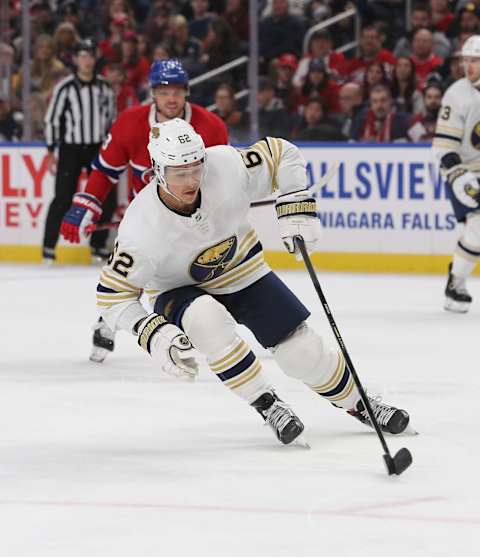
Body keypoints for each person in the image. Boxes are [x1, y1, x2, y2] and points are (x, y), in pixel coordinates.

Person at [95, 117, 411, 445]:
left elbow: (281, 153)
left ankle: (360, 402)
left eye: (195, 168)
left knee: (301, 351)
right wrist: (154, 335)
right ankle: (268, 404)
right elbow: (111, 296)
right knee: (208, 321)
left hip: (242, 267)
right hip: (178, 288)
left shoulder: (225, 165)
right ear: (159, 171)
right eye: (179, 173)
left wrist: (296, 204)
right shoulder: (140, 227)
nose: (191, 181)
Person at [60, 58, 228, 362]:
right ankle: (108, 320)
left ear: (187, 92)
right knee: (128, 273)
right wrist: (85, 204)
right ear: (152, 92)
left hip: (195, 216)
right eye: (164, 91)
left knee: (211, 273)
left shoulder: (211, 127)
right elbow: (105, 171)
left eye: (178, 90)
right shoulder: (130, 124)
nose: (172, 98)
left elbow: (223, 176)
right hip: (149, 218)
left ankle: (237, 327)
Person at [42, 38, 116, 263]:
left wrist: (111, 147)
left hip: (96, 147)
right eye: (82, 56)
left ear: (95, 59)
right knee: (63, 197)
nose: (86, 60)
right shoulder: (65, 87)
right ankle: (48, 247)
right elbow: (52, 120)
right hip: (71, 148)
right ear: (76, 60)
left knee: (105, 196)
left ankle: (97, 245)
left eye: (90, 55)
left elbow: (112, 119)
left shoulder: (105, 87)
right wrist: (50, 150)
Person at [432, 35, 480, 312]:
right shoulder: (457, 95)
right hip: (463, 171)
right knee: (477, 228)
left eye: (475, 61)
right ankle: (456, 284)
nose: (469, 66)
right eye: (466, 60)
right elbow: (443, 147)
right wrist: (458, 174)